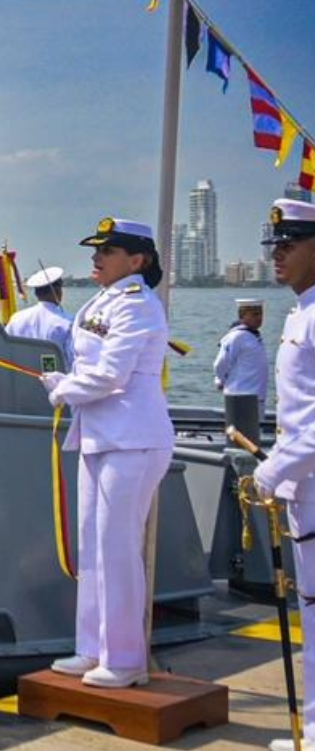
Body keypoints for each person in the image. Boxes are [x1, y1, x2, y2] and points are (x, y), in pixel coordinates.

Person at [41, 216, 175, 689]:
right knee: (93, 547)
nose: (97, 257)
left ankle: (125, 659)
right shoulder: (104, 300)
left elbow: (112, 375)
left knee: (119, 549)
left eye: (109, 250)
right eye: (97, 249)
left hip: (133, 439)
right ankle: (92, 648)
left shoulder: (138, 304)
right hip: (99, 436)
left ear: (137, 260)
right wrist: (68, 384)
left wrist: (65, 389)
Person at [250, 200, 315, 751]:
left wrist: (271, 472)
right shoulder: (301, 312)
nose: (278, 255)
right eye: (275, 245)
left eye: (289, 244)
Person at [214, 297, 269, 445]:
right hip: (241, 396)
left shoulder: (253, 335)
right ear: (242, 316)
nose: (259, 318)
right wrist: (221, 380)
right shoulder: (237, 336)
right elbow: (220, 364)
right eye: (254, 314)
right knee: (242, 440)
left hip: (255, 396)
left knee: (254, 436)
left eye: (260, 314)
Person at [5, 266, 73, 370]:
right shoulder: (67, 321)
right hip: (58, 382)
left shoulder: (16, 318)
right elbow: (73, 359)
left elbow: (8, 350)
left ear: (36, 293)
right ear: (58, 290)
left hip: (23, 379)